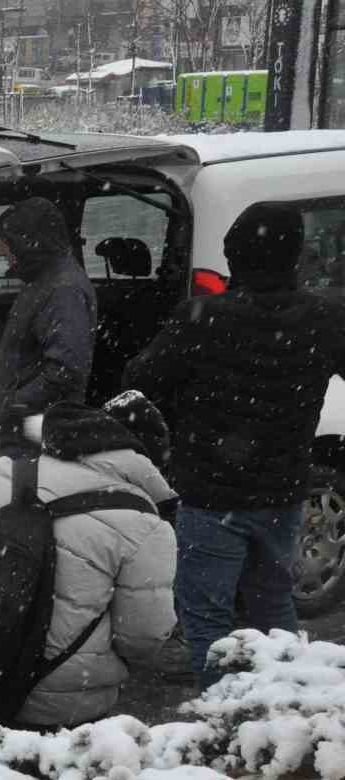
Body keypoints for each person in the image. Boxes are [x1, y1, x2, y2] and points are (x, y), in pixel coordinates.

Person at [124, 202, 345, 687]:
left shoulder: (203, 317)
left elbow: (141, 378)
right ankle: (283, 707)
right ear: (296, 256)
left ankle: (221, 714)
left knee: (207, 615)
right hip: (283, 493)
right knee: (273, 605)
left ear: (235, 255)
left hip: (211, 495)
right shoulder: (327, 316)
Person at [0, 397, 177, 757]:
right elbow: (143, 638)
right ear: (148, 460)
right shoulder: (144, 524)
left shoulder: (2, 474)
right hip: (60, 716)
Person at [0, 196, 97, 453]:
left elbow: (66, 369)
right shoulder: (43, 280)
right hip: (25, 432)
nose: (0, 251)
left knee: (25, 493)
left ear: (29, 243)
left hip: (36, 436)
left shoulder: (63, 290)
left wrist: (15, 407)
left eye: (7, 242)